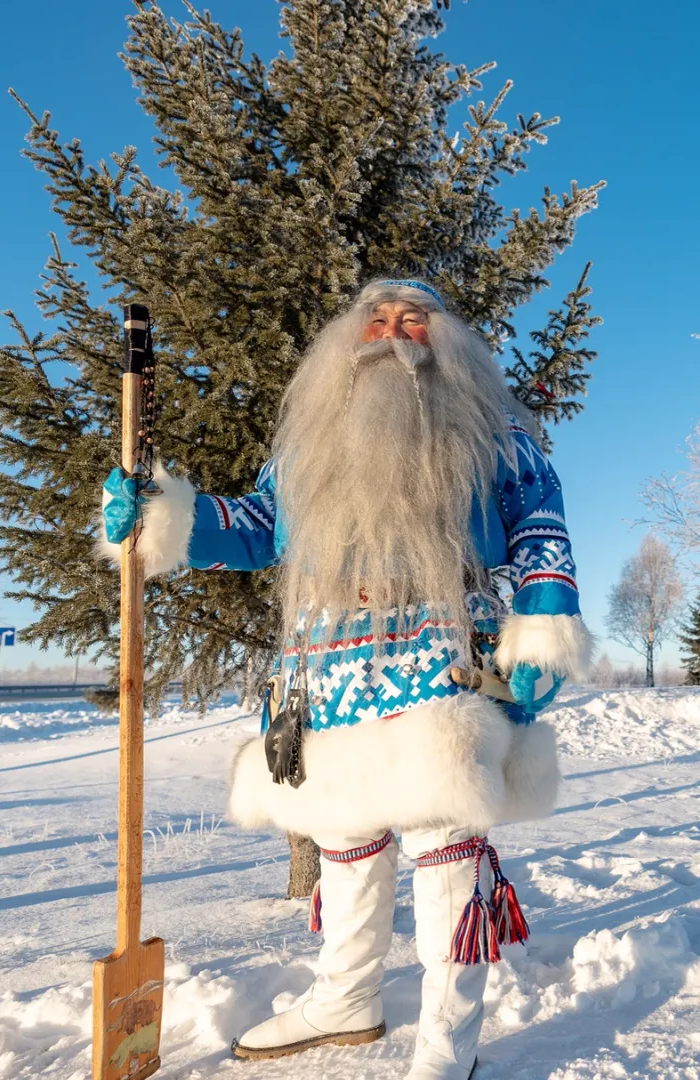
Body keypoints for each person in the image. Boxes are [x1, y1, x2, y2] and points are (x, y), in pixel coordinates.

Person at [100, 277, 589, 1078]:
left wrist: (540, 631)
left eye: (414, 320)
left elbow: (539, 525)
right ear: (348, 339)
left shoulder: (493, 432)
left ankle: (445, 1044)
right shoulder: (310, 443)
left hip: (442, 661)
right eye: (378, 320)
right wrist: (162, 517)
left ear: (446, 340)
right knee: (345, 840)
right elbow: (261, 528)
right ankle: (345, 998)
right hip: (324, 669)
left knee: (443, 847)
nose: (394, 333)